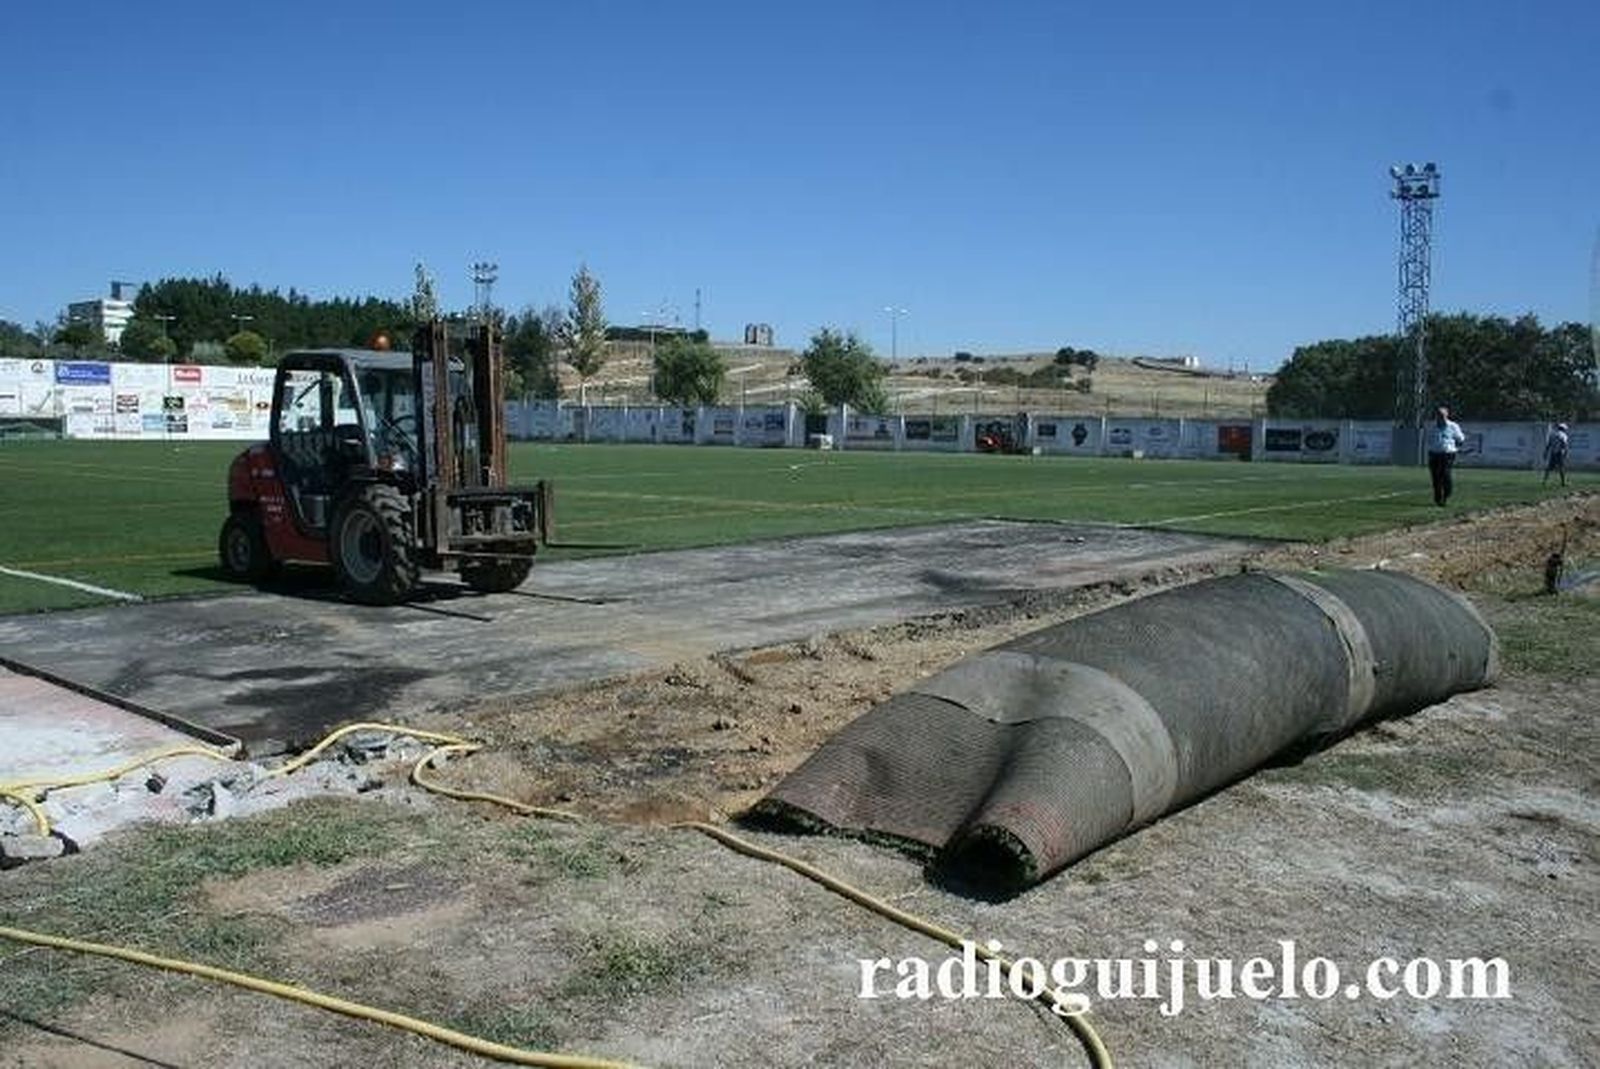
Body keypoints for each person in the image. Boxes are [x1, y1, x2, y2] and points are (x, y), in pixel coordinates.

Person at [1427, 405, 1466, 506]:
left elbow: (1461, 439)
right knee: (1435, 476)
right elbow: (1429, 440)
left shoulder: (1453, 426)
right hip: (1434, 453)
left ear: (1447, 415)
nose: (1440, 418)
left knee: (1445, 473)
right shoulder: (1432, 427)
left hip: (1448, 454)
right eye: (1438, 415)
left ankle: (1447, 493)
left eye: (1442, 415)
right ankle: (1438, 498)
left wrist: (1456, 444)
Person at [1543, 422, 1570, 487]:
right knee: (1561, 468)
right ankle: (1563, 482)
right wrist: (1566, 453)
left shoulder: (1553, 434)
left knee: (1549, 468)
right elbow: (1564, 444)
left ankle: (1545, 480)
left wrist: (1545, 452)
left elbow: (1548, 445)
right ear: (1563, 429)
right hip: (1560, 453)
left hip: (1553, 452)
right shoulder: (1563, 435)